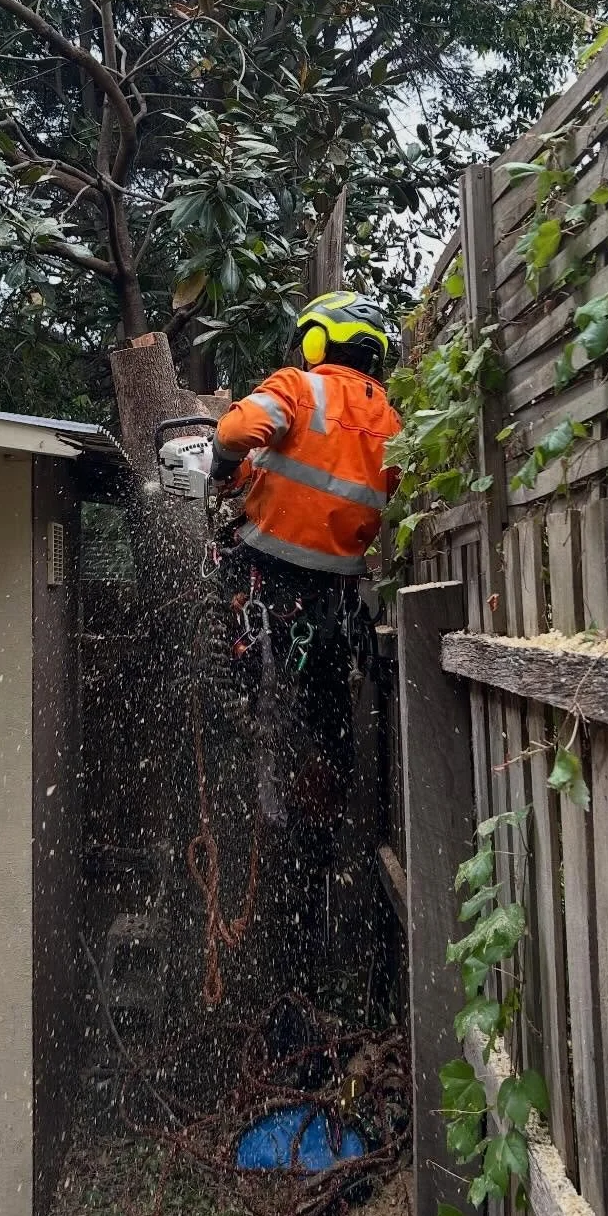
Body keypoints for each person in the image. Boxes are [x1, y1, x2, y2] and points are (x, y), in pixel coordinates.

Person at [208, 290, 402, 833]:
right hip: (335, 592)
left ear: (318, 338)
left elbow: (234, 431)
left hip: (263, 569)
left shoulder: (300, 386)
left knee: (229, 682)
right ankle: (319, 814)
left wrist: (225, 468)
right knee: (325, 705)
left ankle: (246, 780)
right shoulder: (391, 420)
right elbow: (335, 483)